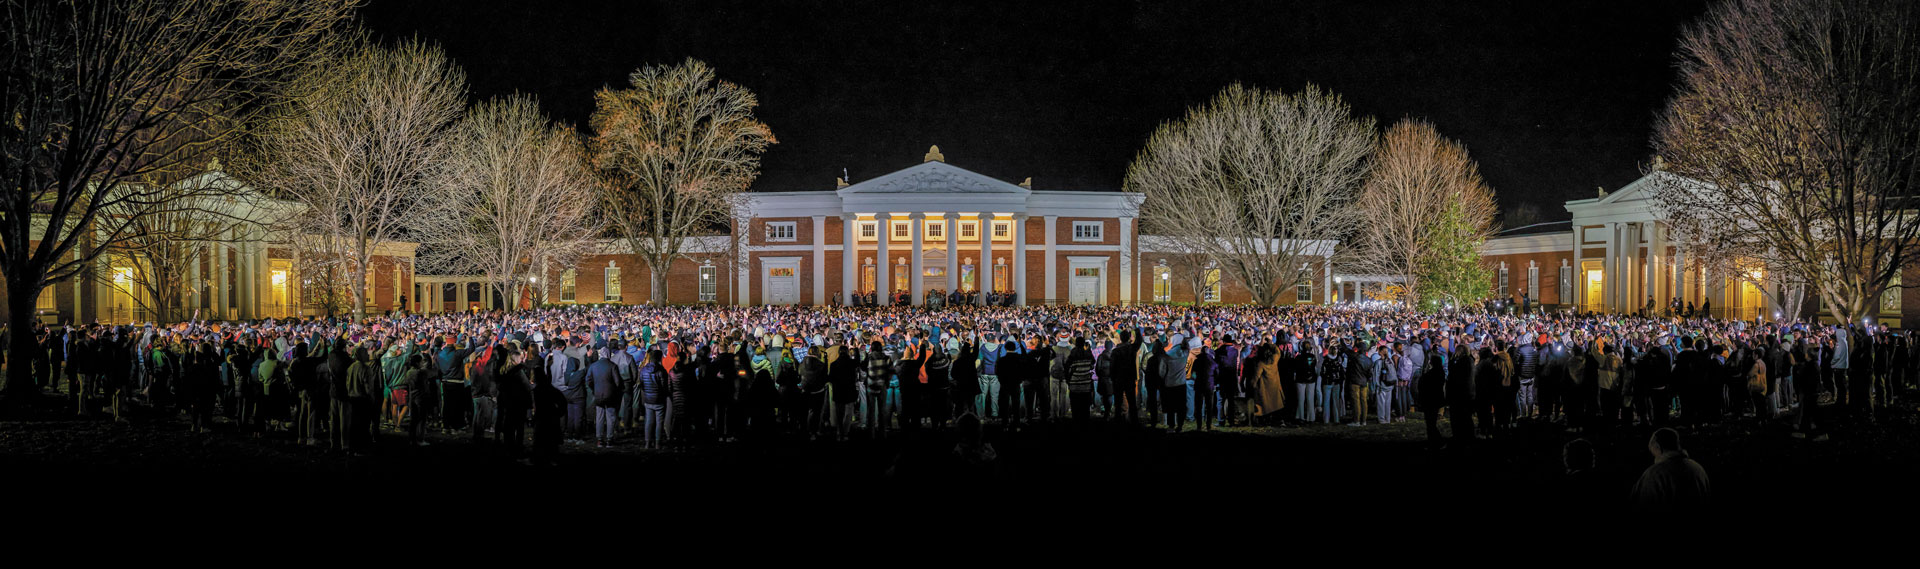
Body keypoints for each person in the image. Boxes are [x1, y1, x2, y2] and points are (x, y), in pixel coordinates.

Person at [1628, 428, 1711, 513]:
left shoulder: (1654, 475)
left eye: (1653, 452)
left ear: (1658, 448)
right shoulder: (1698, 468)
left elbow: (1640, 505)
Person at [588, 346, 621, 447]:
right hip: (610, 395)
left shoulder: (593, 366)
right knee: (610, 417)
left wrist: (594, 389)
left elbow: (588, 380)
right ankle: (609, 439)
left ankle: (599, 439)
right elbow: (617, 382)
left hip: (598, 394)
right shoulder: (613, 366)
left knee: (599, 416)